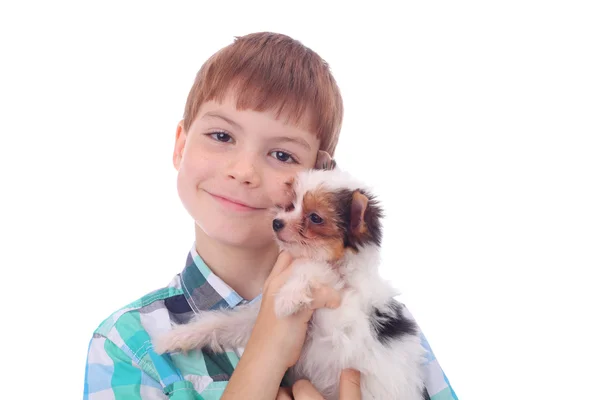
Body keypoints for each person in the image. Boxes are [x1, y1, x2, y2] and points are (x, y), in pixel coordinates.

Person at [83, 32, 458, 400]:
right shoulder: (128, 344)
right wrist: (266, 352)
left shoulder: (386, 321)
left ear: (319, 174)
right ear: (180, 145)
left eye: (282, 156)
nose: (243, 170)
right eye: (221, 135)